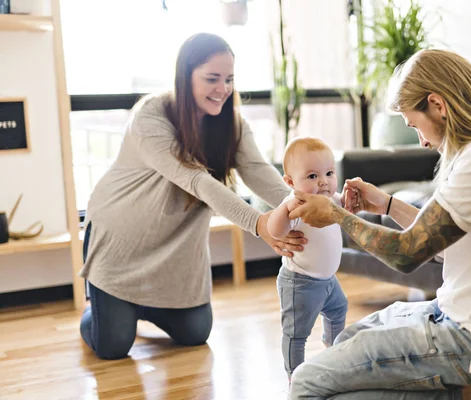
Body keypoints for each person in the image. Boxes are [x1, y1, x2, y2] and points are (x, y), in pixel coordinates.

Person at [288, 49, 471, 399]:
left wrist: (336, 215)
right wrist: (385, 204)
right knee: (347, 341)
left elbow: (408, 254)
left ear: (437, 104)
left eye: (414, 125)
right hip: (469, 316)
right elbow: (442, 242)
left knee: (306, 380)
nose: (421, 141)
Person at [78, 32, 306, 360]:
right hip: (121, 243)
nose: (223, 89)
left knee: (195, 334)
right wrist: (260, 224)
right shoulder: (151, 116)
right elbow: (196, 180)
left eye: (229, 79)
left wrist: (301, 204)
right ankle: (103, 306)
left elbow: (256, 170)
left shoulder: (230, 123)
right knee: (112, 346)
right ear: (184, 78)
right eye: (212, 78)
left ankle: (138, 306)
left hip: (176, 250)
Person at [267, 137, 348, 380]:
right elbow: (275, 231)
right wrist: (284, 210)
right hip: (300, 283)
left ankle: (332, 349)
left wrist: (350, 199)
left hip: (329, 281)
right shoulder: (296, 205)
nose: (323, 181)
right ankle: (295, 375)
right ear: (291, 182)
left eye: (329, 173)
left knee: (339, 309)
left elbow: (346, 211)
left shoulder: (333, 200)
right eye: (312, 176)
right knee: (296, 333)